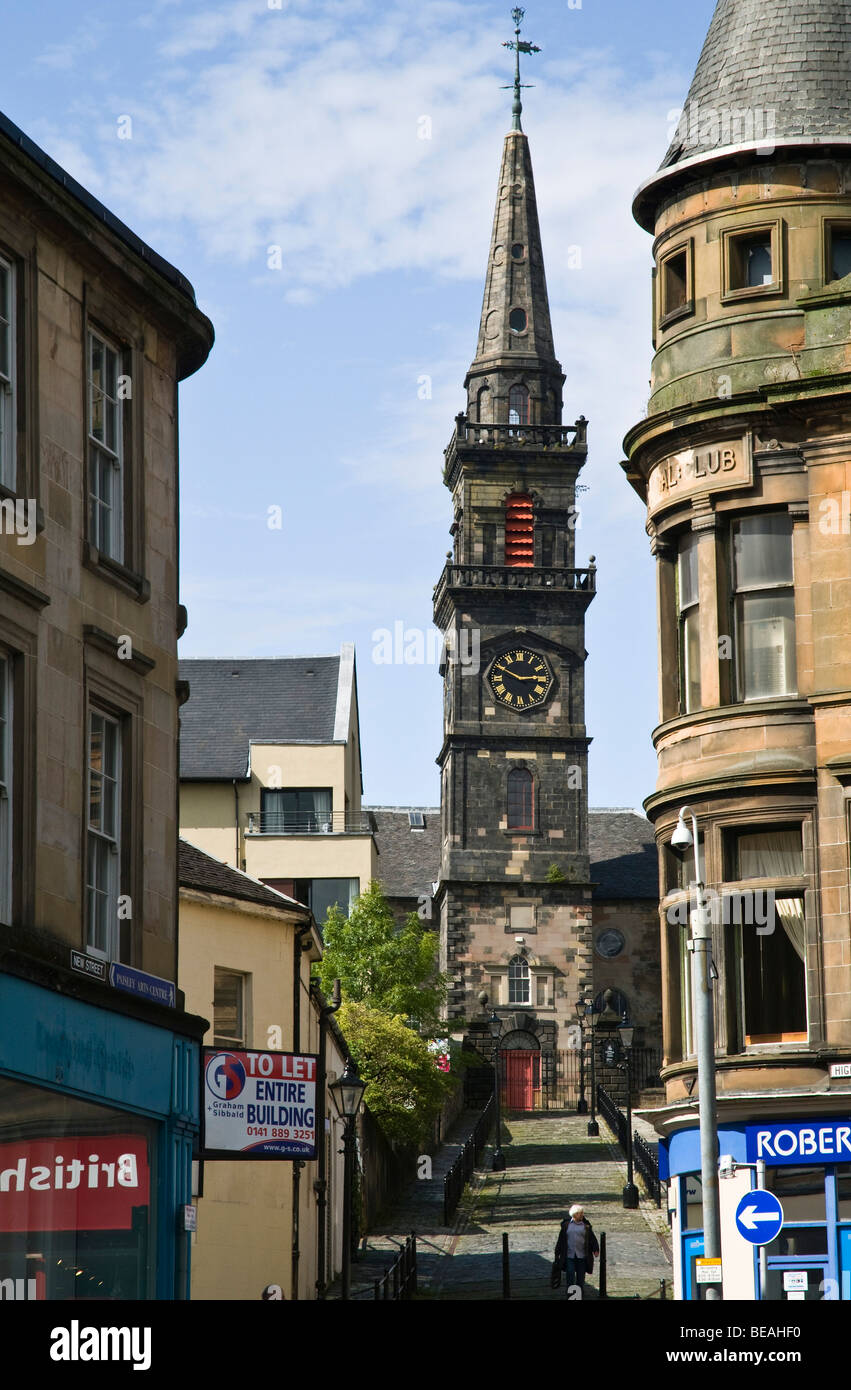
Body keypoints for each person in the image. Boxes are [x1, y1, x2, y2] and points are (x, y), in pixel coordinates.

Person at [554, 1204, 599, 1297]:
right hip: (569, 1255)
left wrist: (595, 1249)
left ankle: (579, 1295)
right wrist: (557, 1252)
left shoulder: (585, 1226)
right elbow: (561, 1239)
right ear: (574, 1214)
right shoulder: (566, 1225)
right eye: (580, 1213)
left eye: (582, 1213)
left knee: (580, 1277)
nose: (582, 1215)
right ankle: (571, 1295)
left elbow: (592, 1238)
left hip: (581, 1255)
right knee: (570, 1275)